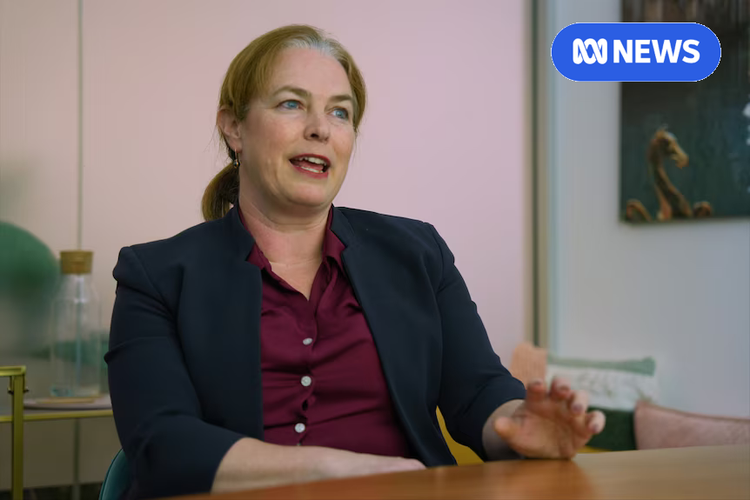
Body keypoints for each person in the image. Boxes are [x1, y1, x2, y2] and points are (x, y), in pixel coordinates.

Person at [106, 24, 605, 500]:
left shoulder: (418, 251)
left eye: (340, 113)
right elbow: (161, 444)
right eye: (291, 104)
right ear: (234, 127)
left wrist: (517, 426)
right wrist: (337, 469)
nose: (321, 129)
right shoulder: (156, 275)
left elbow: (476, 390)